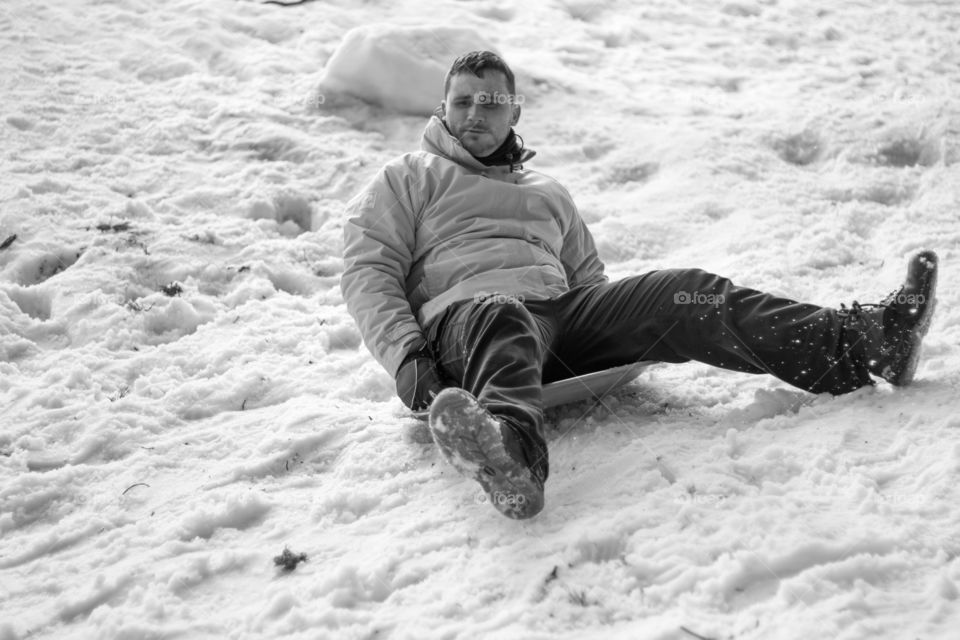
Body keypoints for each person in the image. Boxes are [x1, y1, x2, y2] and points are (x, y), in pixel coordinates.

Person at [340, 51, 939, 520]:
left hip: (556, 317)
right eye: (463, 102)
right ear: (442, 109)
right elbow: (369, 270)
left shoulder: (547, 192)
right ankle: (511, 454)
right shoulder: (407, 178)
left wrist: (628, 321)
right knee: (503, 313)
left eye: (491, 103)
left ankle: (867, 341)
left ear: (515, 113)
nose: (475, 114)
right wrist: (407, 358)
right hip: (466, 327)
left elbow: (589, 283)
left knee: (687, 290)